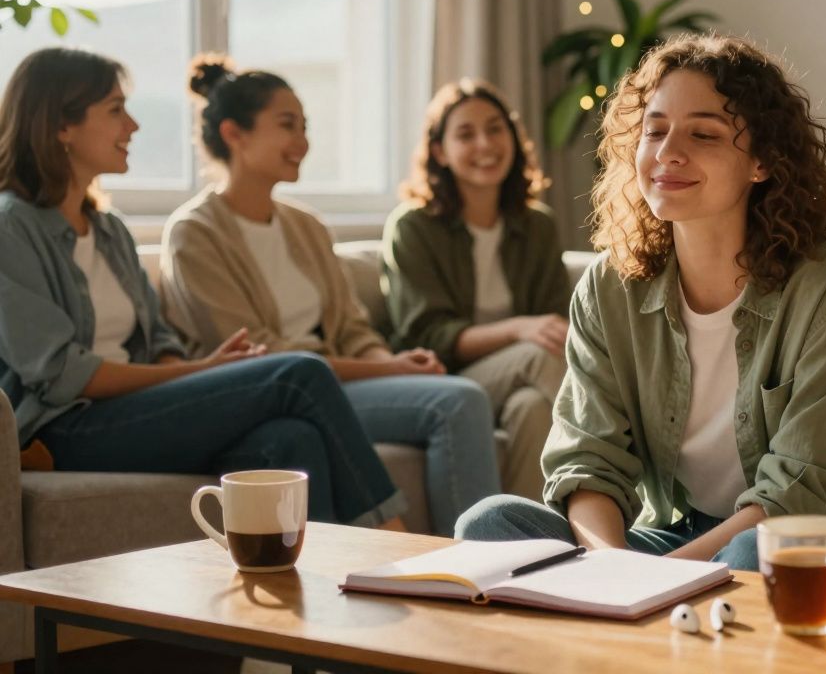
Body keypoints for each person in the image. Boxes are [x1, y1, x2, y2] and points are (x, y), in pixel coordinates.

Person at [455, 35, 826, 586]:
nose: (668, 153)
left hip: (810, 549)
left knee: (756, 556)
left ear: (763, 162)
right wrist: (613, 568)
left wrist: (659, 579)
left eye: (703, 134)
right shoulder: (608, 287)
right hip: (675, 540)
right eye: (655, 131)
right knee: (490, 523)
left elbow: (802, 492)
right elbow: (588, 461)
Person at [0, 47, 404, 527]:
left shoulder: (109, 230)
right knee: (300, 372)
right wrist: (194, 374)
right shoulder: (11, 229)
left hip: (133, 411)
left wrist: (199, 373)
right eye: (115, 110)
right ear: (61, 126)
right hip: (64, 429)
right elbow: (63, 373)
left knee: (293, 438)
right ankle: (395, 542)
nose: (132, 126)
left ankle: (315, 591)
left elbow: (159, 340)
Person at [160, 55, 500, 536]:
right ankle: (477, 560)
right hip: (279, 397)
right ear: (235, 134)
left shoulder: (306, 226)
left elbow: (351, 327)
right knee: (459, 401)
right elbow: (256, 358)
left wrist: (398, 367)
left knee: (455, 395)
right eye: (287, 126)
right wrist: (387, 370)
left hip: (343, 385)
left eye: (305, 126)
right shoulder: (194, 234)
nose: (303, 142)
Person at [383, 79, 570, 500]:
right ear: (439, 152)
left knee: (531, 409)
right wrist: (517, 328)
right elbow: (427, 336)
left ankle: (529, 543)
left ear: (513, 137)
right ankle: (637, 457)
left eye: (495, 128)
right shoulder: (412, 226)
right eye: (465, 134)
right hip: (446, 381)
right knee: (541, 353)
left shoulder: (536, 225)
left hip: (519, 382)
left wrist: (532, 330)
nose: (485, 144)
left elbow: (555, 319)